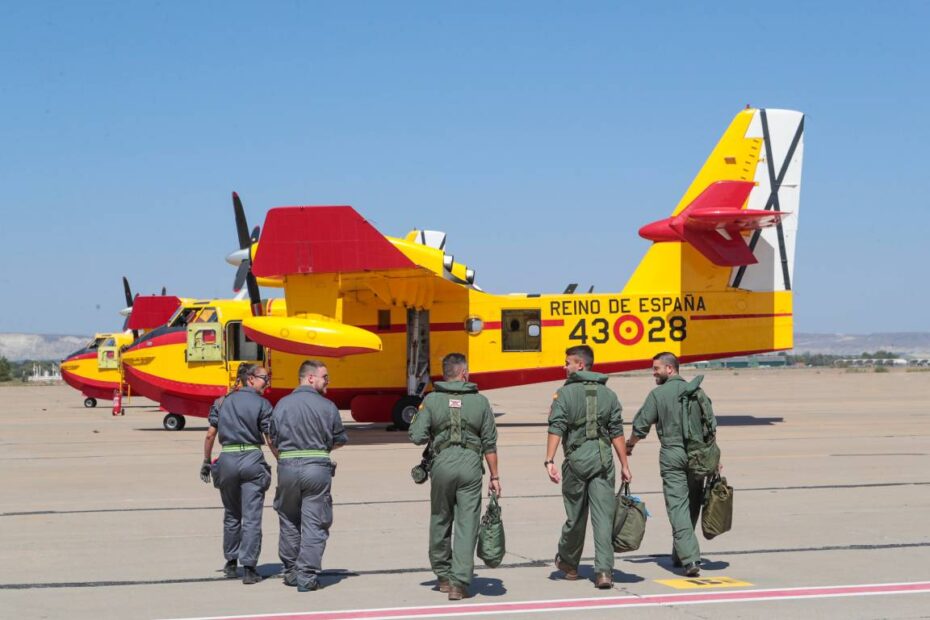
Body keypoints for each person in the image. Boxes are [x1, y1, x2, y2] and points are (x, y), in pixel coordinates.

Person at [409, 353, 500, 601]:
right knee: (467, 523)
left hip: (442, 466)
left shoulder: (432, 400)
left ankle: (442, 576)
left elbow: (416, 436)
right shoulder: (481, 402)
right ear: (464, 374)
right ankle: (459, 583)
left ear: (446, 373)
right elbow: (490, 444)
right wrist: (495, 476)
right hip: (471, 466)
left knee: (440, 518)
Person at [545, 345, 631, 589]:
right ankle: (604, 571)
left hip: (576, 461)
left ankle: (569, 564)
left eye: (567, 362)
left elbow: (556, 427)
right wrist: (625, 464)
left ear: (580, 365)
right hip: (604, 461)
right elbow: (617, 432)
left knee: (575, 516)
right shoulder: (609, 395)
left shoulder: (564, 394)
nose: (564, 367)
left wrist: (549, 460)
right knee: (604, 518)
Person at [626, 351, 709, 577]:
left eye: (656, 369)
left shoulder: (658, 394)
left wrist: (630, 445)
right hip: (698, 455)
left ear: (670, 369)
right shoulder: (697, 392)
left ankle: (690, 559)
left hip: (672, 455)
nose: (654, 373)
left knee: (678, 506)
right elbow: (709, 427)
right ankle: (680, 553)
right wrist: (715, 458)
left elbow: (641, 426)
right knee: (692, 504)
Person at [270, 360, 347, 592]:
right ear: (310, 378)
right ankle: (306, 576)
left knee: (289, 520)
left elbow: (273, 438)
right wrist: (321, 448)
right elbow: (340, 438)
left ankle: (292, 570)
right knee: (315, 523)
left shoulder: (281, 405)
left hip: (287, 467)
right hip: (316, 468)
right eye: (325, 377)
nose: (328, 382)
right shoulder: (328, 406)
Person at [199, 363, 274, 585]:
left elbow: (210, 434)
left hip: (227, 460)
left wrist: (206, 461)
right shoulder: (263, 404)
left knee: (232, 514)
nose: (267, 383)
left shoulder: (221, 402)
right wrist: (281, 460)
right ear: (250, 379)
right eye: (264, 378)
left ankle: (231, 563)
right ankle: (250, 568)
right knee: (252, 517)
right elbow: (270, 439)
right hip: (251, 459)